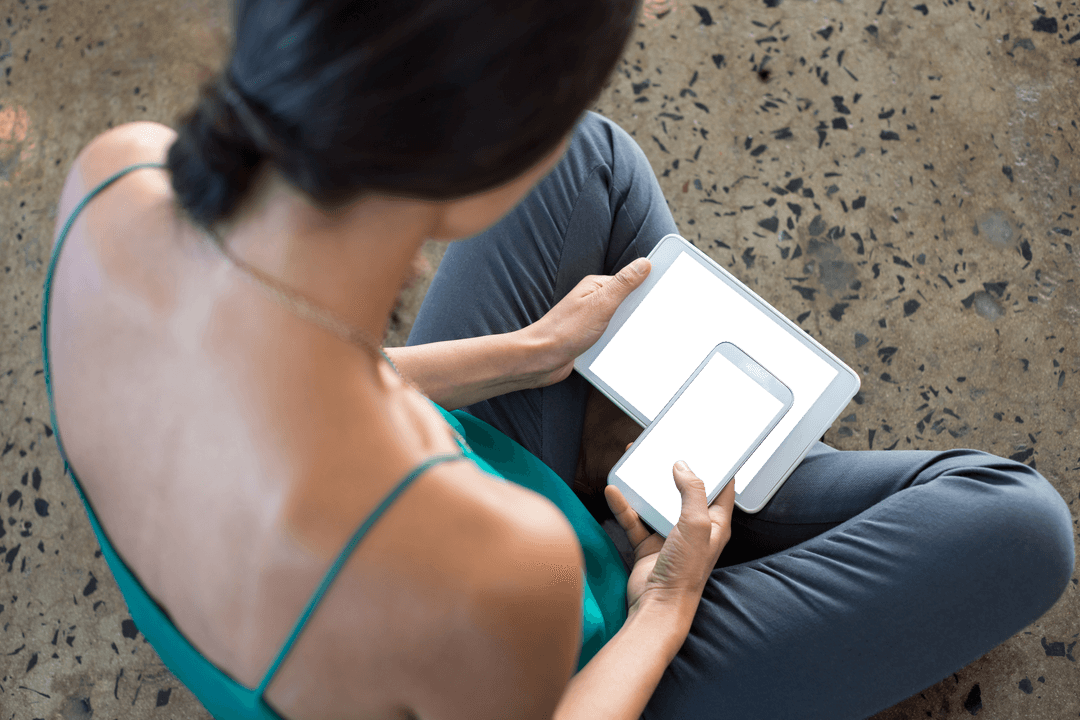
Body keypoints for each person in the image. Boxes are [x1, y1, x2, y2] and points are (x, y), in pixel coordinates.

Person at [41, 0, 1074, 718]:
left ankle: (682, 461)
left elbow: (269, 389)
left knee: (596, 162)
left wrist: (532, 354)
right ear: (484, 166)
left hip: (383, 565)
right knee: (1016, 522)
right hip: (528, 641)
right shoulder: (503, 561)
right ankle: (705, 482)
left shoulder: (113, 176)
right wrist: (665, 605)